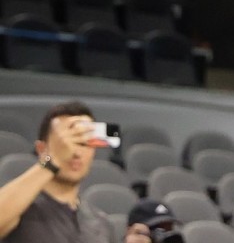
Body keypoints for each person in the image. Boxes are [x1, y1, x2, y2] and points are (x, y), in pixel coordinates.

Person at [0, 101, 150, 243]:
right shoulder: (18, 207)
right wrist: (51, 161)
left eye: (85, 144)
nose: (76, 152)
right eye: (67, 143)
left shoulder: (101, 223)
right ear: (41, 149)